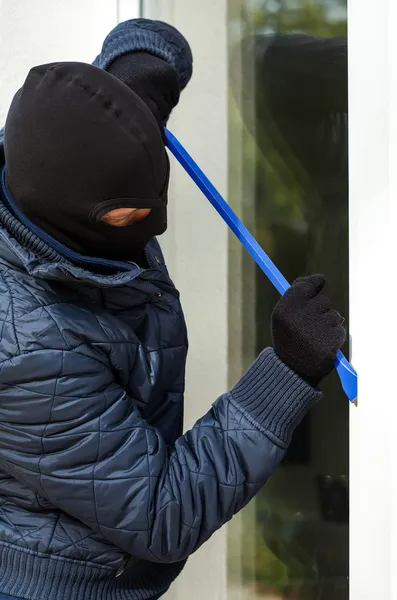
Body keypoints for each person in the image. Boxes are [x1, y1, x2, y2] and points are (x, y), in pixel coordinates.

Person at [0, 19, 346, 600]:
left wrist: (131, 90)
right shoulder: (30, 347)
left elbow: (161, 41)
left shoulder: (44, 169)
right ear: (67, 216)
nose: (148, 230)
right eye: (126, 220)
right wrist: (284, 374)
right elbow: (161, 514)